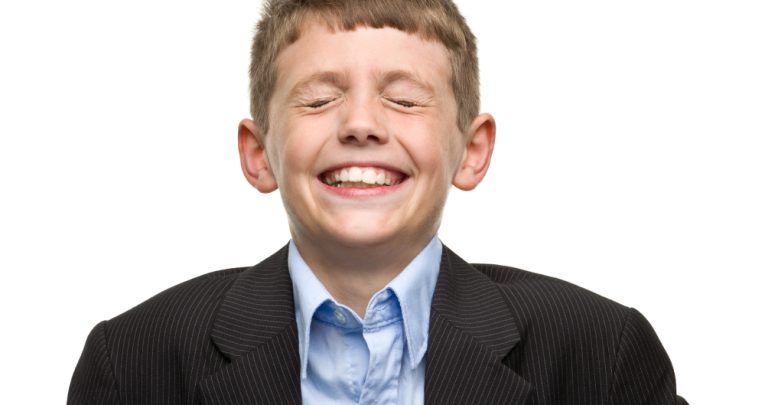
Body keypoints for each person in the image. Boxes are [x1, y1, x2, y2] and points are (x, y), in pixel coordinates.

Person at [68, 0, 687, 403]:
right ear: (258, 155)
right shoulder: (133, 363)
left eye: (405, 99)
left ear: (472, 152)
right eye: (318, 100)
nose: (361, 124)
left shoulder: (601, 354)